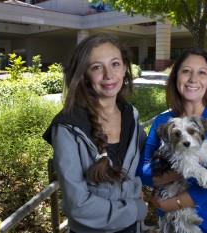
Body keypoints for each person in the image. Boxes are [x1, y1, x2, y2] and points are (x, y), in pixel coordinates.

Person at [43, 33, 148, 233]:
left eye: (115, 64)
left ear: (125, 67)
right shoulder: (68, 128)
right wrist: (134, 209)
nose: (109, 75)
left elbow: (144, 164)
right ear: (84, 74)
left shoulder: (130, 116)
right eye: (97, 67)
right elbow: (78, 205)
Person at [137, 48, 207, 233]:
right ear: (176, 77)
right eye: (186, 71)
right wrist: (186, 166)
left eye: (202, 72)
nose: (193, 79)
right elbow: (144, 172)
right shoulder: (163, 121)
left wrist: (171, 203)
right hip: (175, 225)